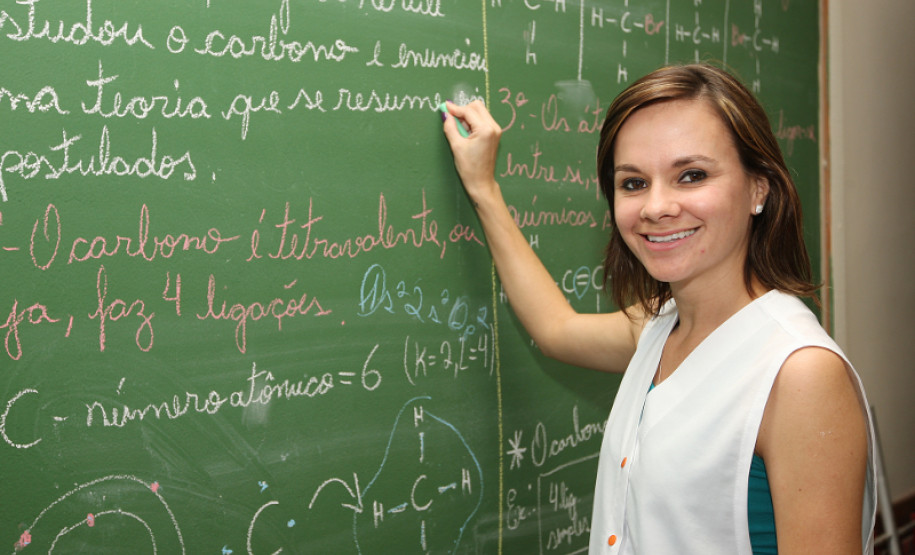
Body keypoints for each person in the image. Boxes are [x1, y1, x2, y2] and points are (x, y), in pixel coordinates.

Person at [440, 64, 876, 554]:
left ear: (759, 188)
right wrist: (484, 189)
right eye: (633, 183)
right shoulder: (659, 325)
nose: (655, 207)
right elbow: (556, 328)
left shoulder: (799, 373)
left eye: (692, 175)